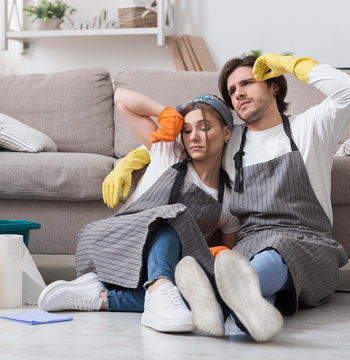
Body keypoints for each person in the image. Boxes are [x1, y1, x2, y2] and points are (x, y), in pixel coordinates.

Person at [104, 53, 350, 342]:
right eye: (232, 90)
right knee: (254, 276)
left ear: (273, 86)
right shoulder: (231, 138)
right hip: (248, 244)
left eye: (247, 83)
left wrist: (290, 64)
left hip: (308, 241)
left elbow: (349, 90)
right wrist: (135, 158)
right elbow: (185, 144)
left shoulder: (311, 128)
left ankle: (215, 298)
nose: (238, 93)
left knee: (276, 248)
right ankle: (242, 310)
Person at [37, 89, 239, 334]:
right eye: (187, 130)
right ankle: (159, 286)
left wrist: (213, 257)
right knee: (174, 213)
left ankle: (100, 297)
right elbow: (121, 98)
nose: (194, 137)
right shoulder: (168, 152)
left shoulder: (227, 200)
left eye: (205, 128)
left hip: (151, 269)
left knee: (204, 293)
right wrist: (164, 113)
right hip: (116, 245)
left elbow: (230, 256)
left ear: (226, 133)